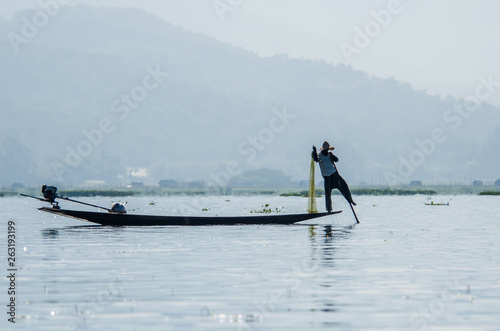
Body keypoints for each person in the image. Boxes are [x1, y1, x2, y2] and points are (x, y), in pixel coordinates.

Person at [312, 141, 356, 213]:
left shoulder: (329, 155)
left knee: (344, 185)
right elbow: (315, 159)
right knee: (328, 193)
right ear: (323, 150)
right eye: (326, 150)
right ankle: (329, 208)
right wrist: (314, 151)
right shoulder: (319, 156)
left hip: (334, 174)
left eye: (328, 150)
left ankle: (350, 200)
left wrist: (332, 156)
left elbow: (337, 160)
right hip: (327, 177)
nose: (327, 151)